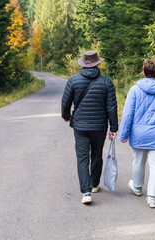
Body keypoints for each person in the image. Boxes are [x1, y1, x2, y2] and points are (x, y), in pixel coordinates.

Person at [119, 59, 155, 208]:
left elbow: (127, 114)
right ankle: (152, 198)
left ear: (143, 72)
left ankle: (137, 187)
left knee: (138, 160)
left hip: (139, 134)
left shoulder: (134, 90)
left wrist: (124, 134)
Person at [61, 50, 118, 204]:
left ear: (83, 64)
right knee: (96, 154)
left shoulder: (73, 81)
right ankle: (94, 185)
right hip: (99, 126)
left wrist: (66, 116)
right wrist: (113, 128)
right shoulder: (106, 83)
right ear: (98, 63)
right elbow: (112, 108)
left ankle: (86, 192)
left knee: (82, 157)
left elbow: (65, 102)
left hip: (80, 126)